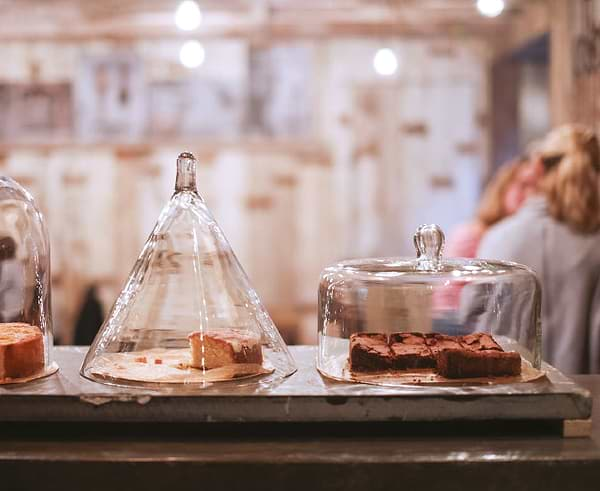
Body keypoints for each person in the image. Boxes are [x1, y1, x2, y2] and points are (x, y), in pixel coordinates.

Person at [478, 124, 600, 373]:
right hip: (587, 399)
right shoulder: (595, 243)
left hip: (510, 393)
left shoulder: (497, 238)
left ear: (538, 168)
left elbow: (475, 330)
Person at [446, 156, 536, 258]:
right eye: (524, 184)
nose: (531, 193)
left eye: (537, 187)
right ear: (504, 186)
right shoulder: (470, 237)